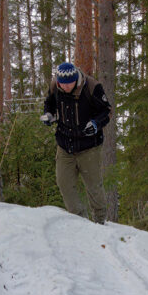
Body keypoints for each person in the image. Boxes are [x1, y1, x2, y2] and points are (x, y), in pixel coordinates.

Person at [41, 62, 112, 223]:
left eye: (69, 84)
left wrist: (95, 124)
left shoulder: (92, 87)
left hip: (89, 147)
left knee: (94, 187)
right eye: (62, 84)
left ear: (76, 79)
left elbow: (107, 111)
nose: (65, 87)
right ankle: (80, 220)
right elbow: (49, 103)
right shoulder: (55, 86)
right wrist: (49, 115)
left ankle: (100, 221)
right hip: (65, 145)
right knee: (64, 183)